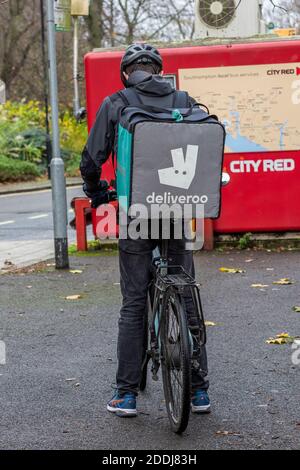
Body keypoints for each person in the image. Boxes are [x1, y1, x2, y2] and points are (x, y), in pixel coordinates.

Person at [80, 44, 210, 418]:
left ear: (126, 73)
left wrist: (96, 192)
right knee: (185, 294)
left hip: (137, 212)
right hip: (178, 210)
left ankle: (126, 395)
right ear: (158, 71)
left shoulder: (117, 102)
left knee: (134, 302)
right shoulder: (185, 101)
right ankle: (199, 392)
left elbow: (92, 159)